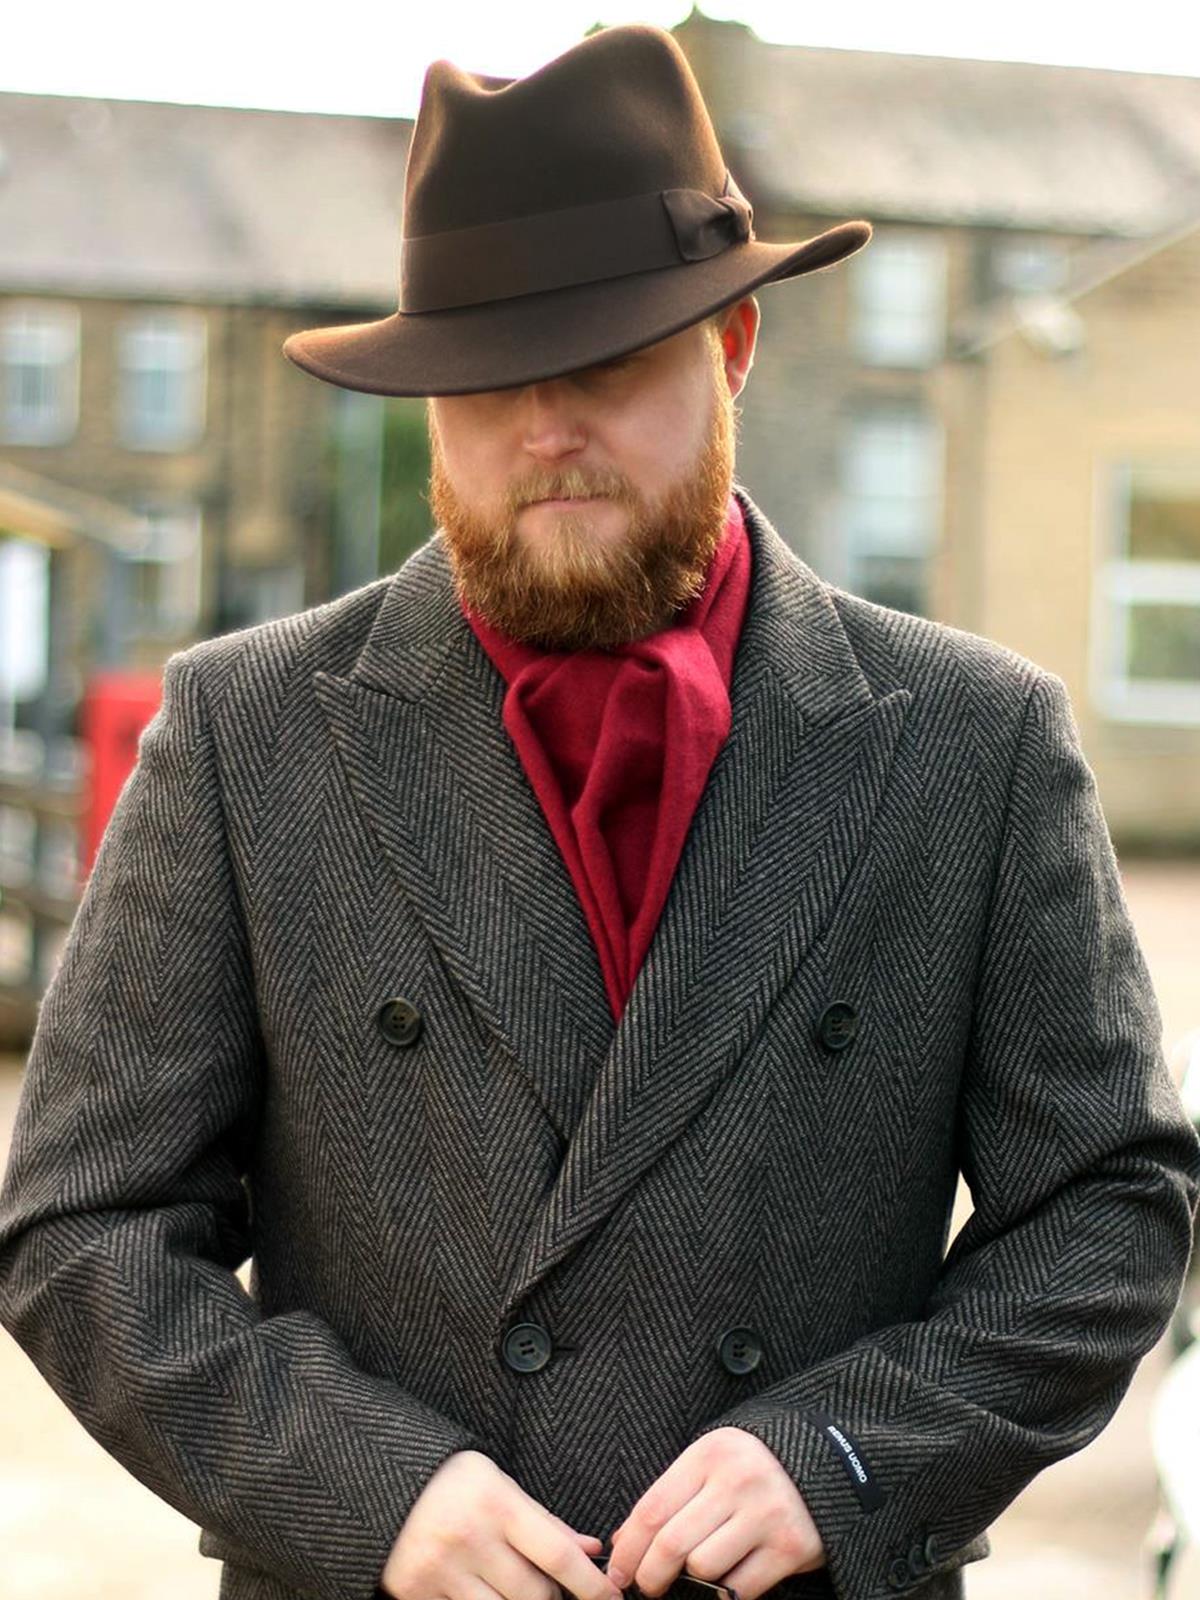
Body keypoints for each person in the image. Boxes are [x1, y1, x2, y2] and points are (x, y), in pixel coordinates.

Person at [1, 22, 1197, 1600]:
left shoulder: (977, 744)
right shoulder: (248, 733)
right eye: (487, 379)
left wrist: (847, 1455)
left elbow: (1111, 1205)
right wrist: (371, 1490)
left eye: (607, 360)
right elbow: (82, 1225)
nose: (545, 430)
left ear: (735, 346)